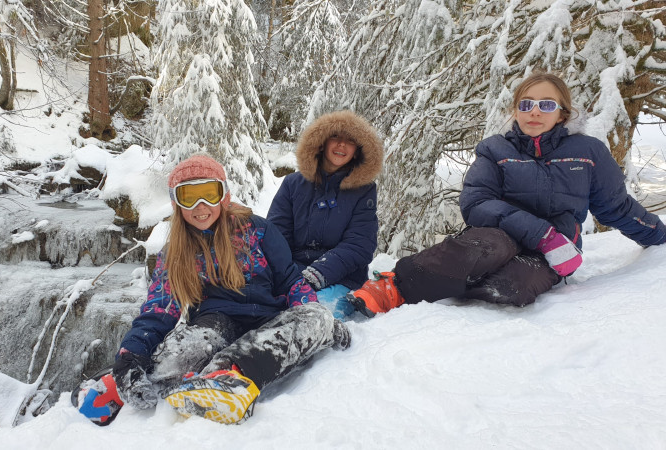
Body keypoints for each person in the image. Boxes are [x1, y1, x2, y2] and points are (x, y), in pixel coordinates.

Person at [348, 72, 666, 315]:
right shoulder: (496, 150)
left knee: (515, 287)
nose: (534, 112)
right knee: (486, 248)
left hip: (554, 249)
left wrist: (660, 237)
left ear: (563, 113)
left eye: (546, 105)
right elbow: (476, 203)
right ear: (515, 111)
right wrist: (540, 233)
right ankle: (394, 286)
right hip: (499, 235)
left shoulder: (588, 152)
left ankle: (454, 281)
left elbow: (616, 208)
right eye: (526, 105)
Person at [77, 154, 350, 426]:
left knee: (316, 317)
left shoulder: (258, 230)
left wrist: (314, 317)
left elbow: (291, 282)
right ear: (176, 203)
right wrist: (130, 355)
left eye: (209, 193)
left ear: (224, 196)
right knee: (186, 349)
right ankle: (119, 382)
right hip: (216, 325)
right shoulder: (175, 252)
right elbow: (159, 310)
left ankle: (226, 374)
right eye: (188, 197)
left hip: (269, 321)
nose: (200, 206)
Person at [268, 110, 383, 320]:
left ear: (357, 151)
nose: (342, 145)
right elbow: (275, 237)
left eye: (350, 140)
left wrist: (316, 275)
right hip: (291, 274)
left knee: (311, 317)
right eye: (335, 136)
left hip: (342, 279)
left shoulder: (364, 191)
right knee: (262, 307)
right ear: (322, 143)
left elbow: (359, 245)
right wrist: (289, 277)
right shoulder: (292, 184)